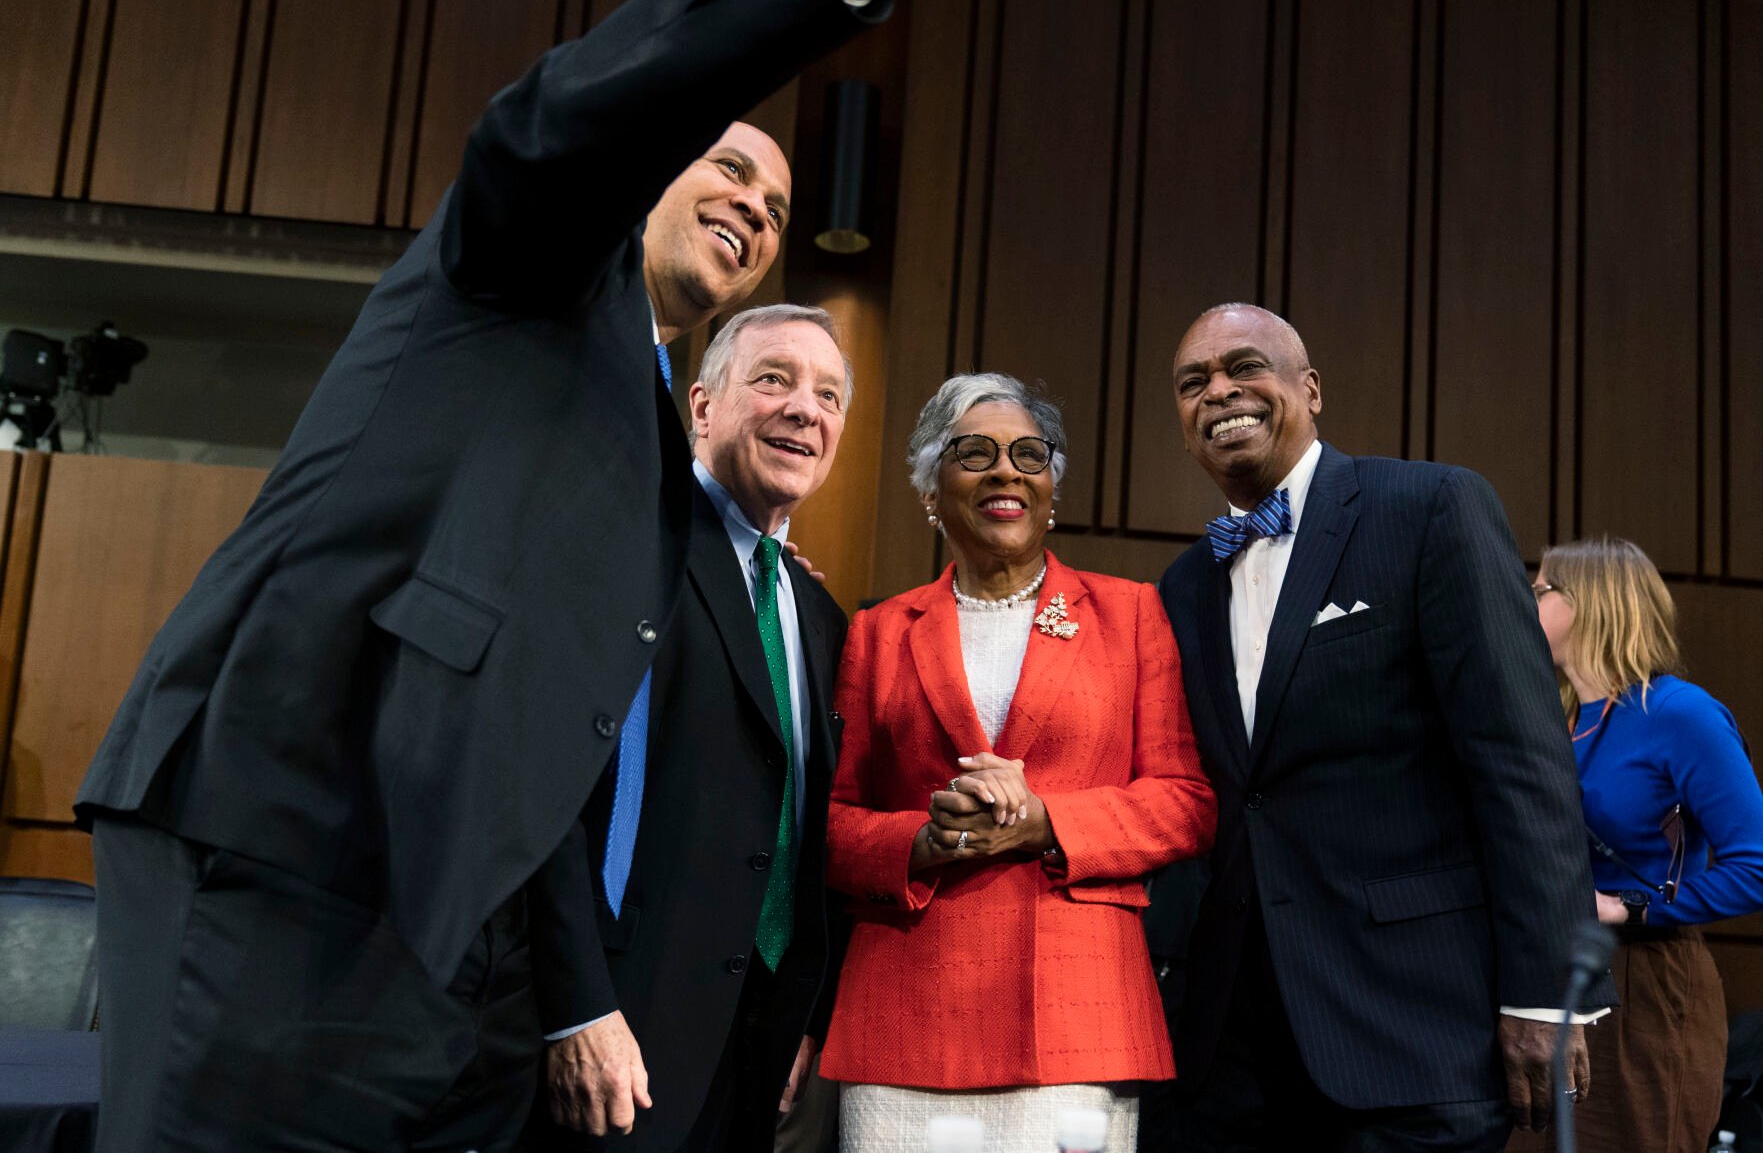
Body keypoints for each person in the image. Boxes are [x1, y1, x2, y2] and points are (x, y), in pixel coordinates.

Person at [71, 0, 889, 1148]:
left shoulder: (655, 431)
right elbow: (557, 130)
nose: (755, 209)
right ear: (651, 155)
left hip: (454, 925)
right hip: (301, 827)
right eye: (728, 167)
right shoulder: (532, 262)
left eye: (776, 205)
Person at [1155, 303, 1609, 1150]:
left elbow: (1520, 757)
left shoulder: (1429, 507)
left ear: (1309, 389)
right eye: (1193, 383)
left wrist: (1546, 992)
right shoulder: (1183, 584)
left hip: (1412, 1029)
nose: (1219, 391)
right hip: (1235, 1053)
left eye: (1243, 367)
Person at [819, 373, 1218, 1151]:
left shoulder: (1130, 614)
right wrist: (922, 841)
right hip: (907, 1009)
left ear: (1050, 487)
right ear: (931, 486)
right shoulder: (876, 631)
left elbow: (1184, 800)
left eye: (1028, 453)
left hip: (1078, 1013)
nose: (1006, 470)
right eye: (974, 452)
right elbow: (829, 824)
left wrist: (1046, 823)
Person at [521, 304, 854, 1150]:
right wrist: (577, 1007)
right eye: (773, 378)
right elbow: (539, 787)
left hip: (751, 1051)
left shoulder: (817, 613)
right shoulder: (631, 544)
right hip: (612, 1037)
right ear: (701, 407)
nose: (803, 409)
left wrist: (794, 1016)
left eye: (827, 394)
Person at [1514, 534, 1763, 1153]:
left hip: (1642, 982)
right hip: (1546, 980)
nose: (1525, 600)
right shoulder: (1557, 718)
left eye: (1540, 589)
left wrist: (1629, 906)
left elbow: (1756, 864)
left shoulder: (1680, 713)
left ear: (1591, 604)